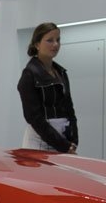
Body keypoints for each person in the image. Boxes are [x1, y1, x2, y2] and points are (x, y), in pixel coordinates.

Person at [17, 22, 78, 153]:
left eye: (58, 40)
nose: (55, 44)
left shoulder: (61, 72)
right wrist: (64, 146)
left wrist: (74, 141)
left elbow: (69, 109)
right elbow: (34, 118)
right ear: (37, 44)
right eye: (50, 40)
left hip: (63, 139)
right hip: (40, 140)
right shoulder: (29, 74)